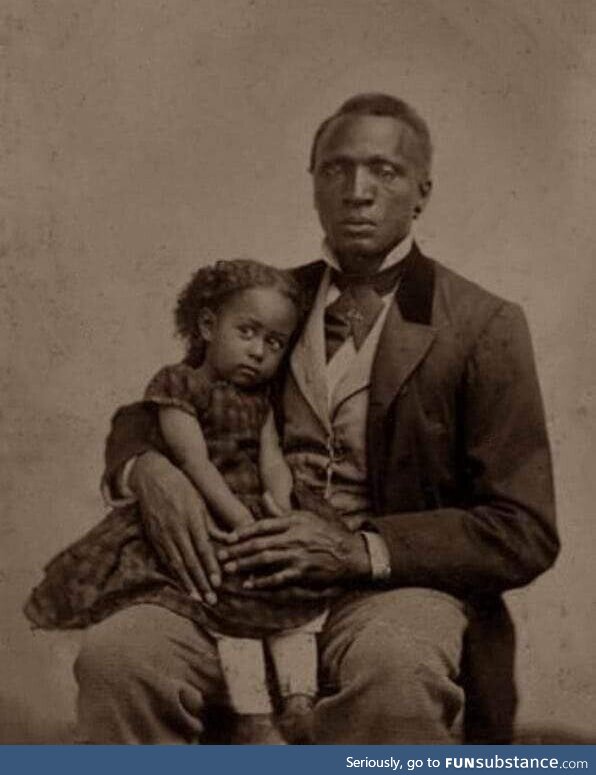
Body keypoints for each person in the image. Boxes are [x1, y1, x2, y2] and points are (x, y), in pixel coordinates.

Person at [71, 93, 559, 744]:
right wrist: (147, 468)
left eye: (384, 171)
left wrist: (361, 549)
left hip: (394, 590)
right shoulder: (267, 301)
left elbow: (523, 527)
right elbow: (155, 408)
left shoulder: (483, 324)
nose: (358, 190)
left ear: (422, 192)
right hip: (237, 577)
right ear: (314, 186)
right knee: (119, 658)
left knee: (395, 672)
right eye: (336, 168)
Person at [27, 258, 357, 744]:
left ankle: (298, 700)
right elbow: (190, 458)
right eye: (248, 333)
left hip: (285, 519)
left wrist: (282, 509)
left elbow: (272, 460)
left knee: (292, 603)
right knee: (226, 605)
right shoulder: (183, 384)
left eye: (273, 344)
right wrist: (243, 519)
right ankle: (254, 716)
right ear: (206, 325)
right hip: (218, 511)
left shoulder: (259, 397)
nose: (259, 352)